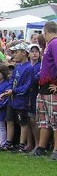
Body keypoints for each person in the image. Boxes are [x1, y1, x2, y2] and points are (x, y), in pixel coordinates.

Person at [0, 42, 35, 152]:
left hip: (21, 100)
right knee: (9, 120)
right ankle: (8, 143)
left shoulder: (29, 68)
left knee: (23, 123)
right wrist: (8, 90)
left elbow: (27, 86)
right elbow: (11, 79)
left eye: (16, 52)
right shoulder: (17, 66)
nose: (14, 55)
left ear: (24, 53)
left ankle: (21, 145)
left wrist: (13, 91)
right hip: (12, 99)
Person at [30, 21, 57, 160]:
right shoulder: (49, 45)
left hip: (52, 87)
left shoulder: (55, 43)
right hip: (44, 87)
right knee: (44, 120)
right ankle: (41, 148)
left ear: (46, 32)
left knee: (55, 120)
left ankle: (56, 151)